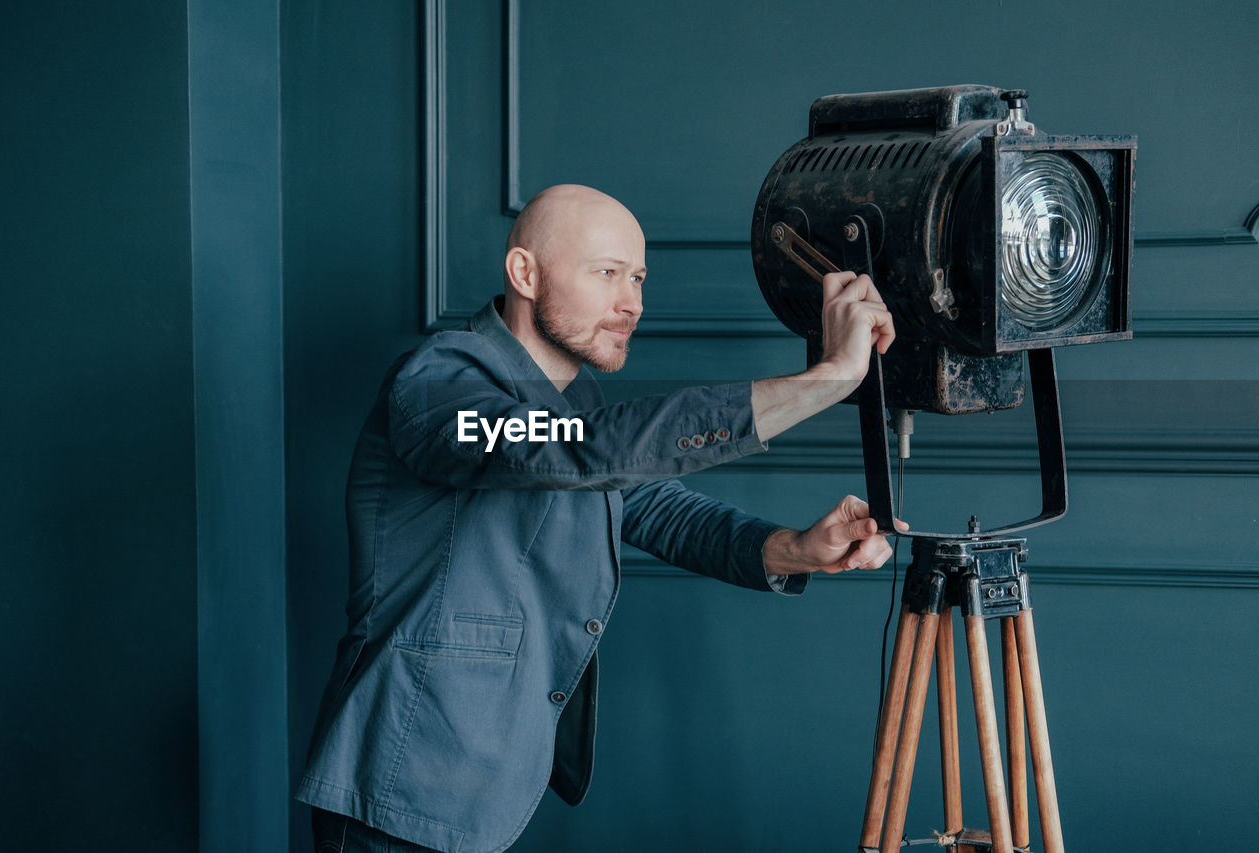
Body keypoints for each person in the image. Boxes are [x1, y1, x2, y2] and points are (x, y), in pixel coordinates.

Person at [296, 184, 899, 853]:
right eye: (607, 272)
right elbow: (569, 452)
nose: (633, 303)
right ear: (525, 273)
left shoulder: (571, 399)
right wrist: (826, 380)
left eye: (638, 277)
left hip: (481, 785)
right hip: (401, 784)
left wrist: (796, 548)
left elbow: (651, 504)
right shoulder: (440, 384)